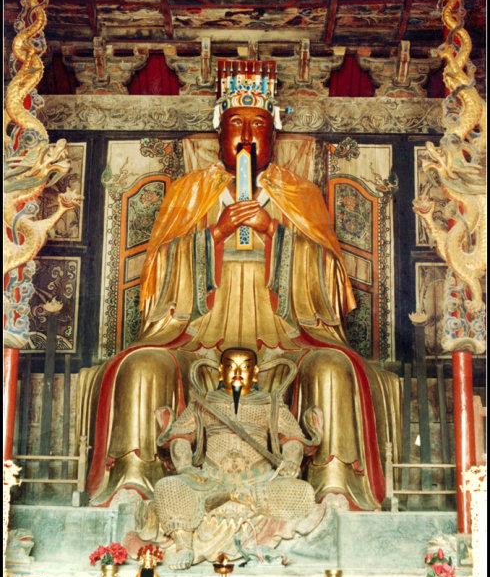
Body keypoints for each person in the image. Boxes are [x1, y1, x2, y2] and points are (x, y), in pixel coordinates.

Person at [80, 59, 400, 510]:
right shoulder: (190, 192)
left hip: (285, 332)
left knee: (332, 367)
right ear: (218, 133)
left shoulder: (300, 194)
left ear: (274, 135)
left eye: (258, 125)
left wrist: (276, 233)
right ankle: (136, 478)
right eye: (236, 124)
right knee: (140, 366)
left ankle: (333, 483)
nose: (247, 135)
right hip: (199, 331)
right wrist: (213, 235)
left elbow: (331, 283)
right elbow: (157, 278)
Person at [144, 347, 324, 569]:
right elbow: (180, 436)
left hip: (258, 482)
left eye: (245, 368)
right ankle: (184, 545)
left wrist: (290, 463)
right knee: (168, 487)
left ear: (255, 373)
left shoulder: (270, 403)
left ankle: (253, 522)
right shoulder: (204, 401)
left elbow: (292, 439)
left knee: (302, 492)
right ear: (221, 371)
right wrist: (185, 467)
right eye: (231, 367)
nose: (238, 373)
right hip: (211, 481)